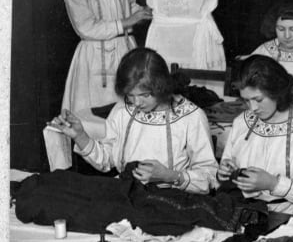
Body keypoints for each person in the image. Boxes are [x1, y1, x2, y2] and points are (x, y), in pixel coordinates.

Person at [47, 47, 217, 194]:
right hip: (125, 192)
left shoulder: (191, 117)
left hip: (172, 199)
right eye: (130, 95)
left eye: (145, 95)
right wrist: (80, 136)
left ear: (162, 86)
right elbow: (107, 162)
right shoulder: (123, 110)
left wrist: (170, 176)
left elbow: (210, 177)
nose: (136, 103)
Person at [215, 55, 293, 217]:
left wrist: (273, 183)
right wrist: (224, 173)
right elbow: (226, 169)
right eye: (246, 101)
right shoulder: (241, 122)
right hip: (241, 211)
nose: (252, 108)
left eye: (258, 99)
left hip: (287, 217)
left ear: (277, 92)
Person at [61, 0, 153, 112]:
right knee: (99, 113)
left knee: (133, 106)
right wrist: (127, 22)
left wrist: (143, 13)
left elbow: (130, 6)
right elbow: (87, 28)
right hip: (95, 57)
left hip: (126, 49)